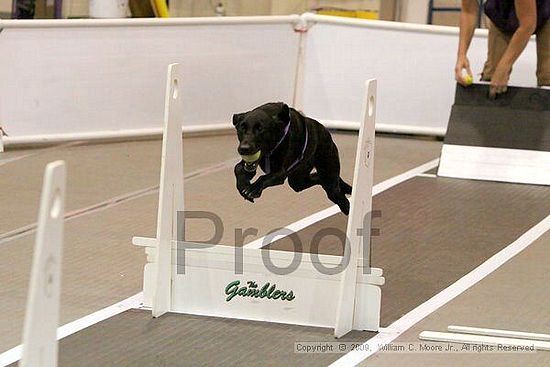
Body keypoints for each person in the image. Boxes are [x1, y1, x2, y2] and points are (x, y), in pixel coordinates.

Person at [455, 0, 550, 97]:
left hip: (546, 10)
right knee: (492, 78)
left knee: (547, 76)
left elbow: (528, 25)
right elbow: (468, 12)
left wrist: (504, 67)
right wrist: (461, 55)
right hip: (503, 13)